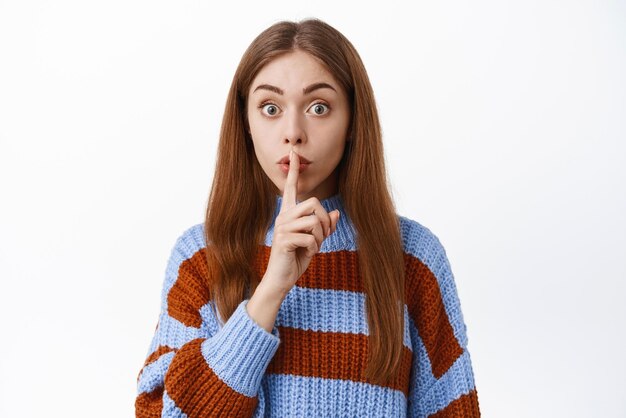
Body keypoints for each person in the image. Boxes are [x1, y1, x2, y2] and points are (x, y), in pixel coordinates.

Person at [134, 18, 480, 418]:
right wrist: (269, 292)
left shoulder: (414, 257)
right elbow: (158, 412)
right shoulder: (200, 257)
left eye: (319, 107)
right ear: (245, 124)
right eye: (270, 108)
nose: (293, 132)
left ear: (352, 120)